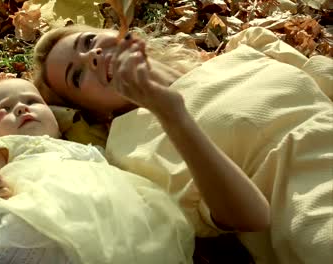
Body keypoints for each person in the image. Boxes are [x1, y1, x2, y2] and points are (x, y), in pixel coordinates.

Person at [32, 24, 333, 264]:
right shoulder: (132, 148)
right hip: (313, 205)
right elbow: (248, 217)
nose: (92, 56)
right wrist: (172, 115)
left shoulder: (242, 51)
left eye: (87, 41)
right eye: (78, 75)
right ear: (94, 110)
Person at [0, 78, 196, 264]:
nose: (20, 108)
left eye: (32, 101)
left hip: (111, 220)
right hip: (38, 217)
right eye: (3, 109)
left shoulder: (83, 147)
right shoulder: (10, 145)